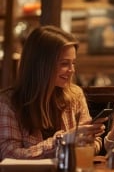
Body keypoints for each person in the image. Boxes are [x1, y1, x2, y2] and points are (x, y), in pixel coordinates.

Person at [0, 25, 107, 160]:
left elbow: (96, 143)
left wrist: (87, 140)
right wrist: (64, 140)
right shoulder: (8, 102)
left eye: (73, 63)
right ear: (41, 65)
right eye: (64, 63)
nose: (72, 70)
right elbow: (9, 155)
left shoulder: (75, 95)